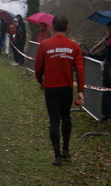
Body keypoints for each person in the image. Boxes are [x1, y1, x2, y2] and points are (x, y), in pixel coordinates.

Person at [34, 15, 85, 166]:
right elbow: (80, 69)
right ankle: (65, 149)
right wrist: (80, 90)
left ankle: (57, 156)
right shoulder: (74, 46)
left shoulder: (44, 45)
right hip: (67, 87)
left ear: (52, 27)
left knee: (54, 120)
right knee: (66, 117)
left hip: (51, 87)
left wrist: (40, 81)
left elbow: (38, 67)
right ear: (67, 28)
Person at [87, 21, 111, 123]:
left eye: (110, 29)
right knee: (104, 94)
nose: (108, 31)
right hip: (106, 70)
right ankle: (105, 113)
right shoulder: (107, 41)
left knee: (109, 94)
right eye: (107, 29)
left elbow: (107, 57)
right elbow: (101, 56)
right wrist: (89, 55)